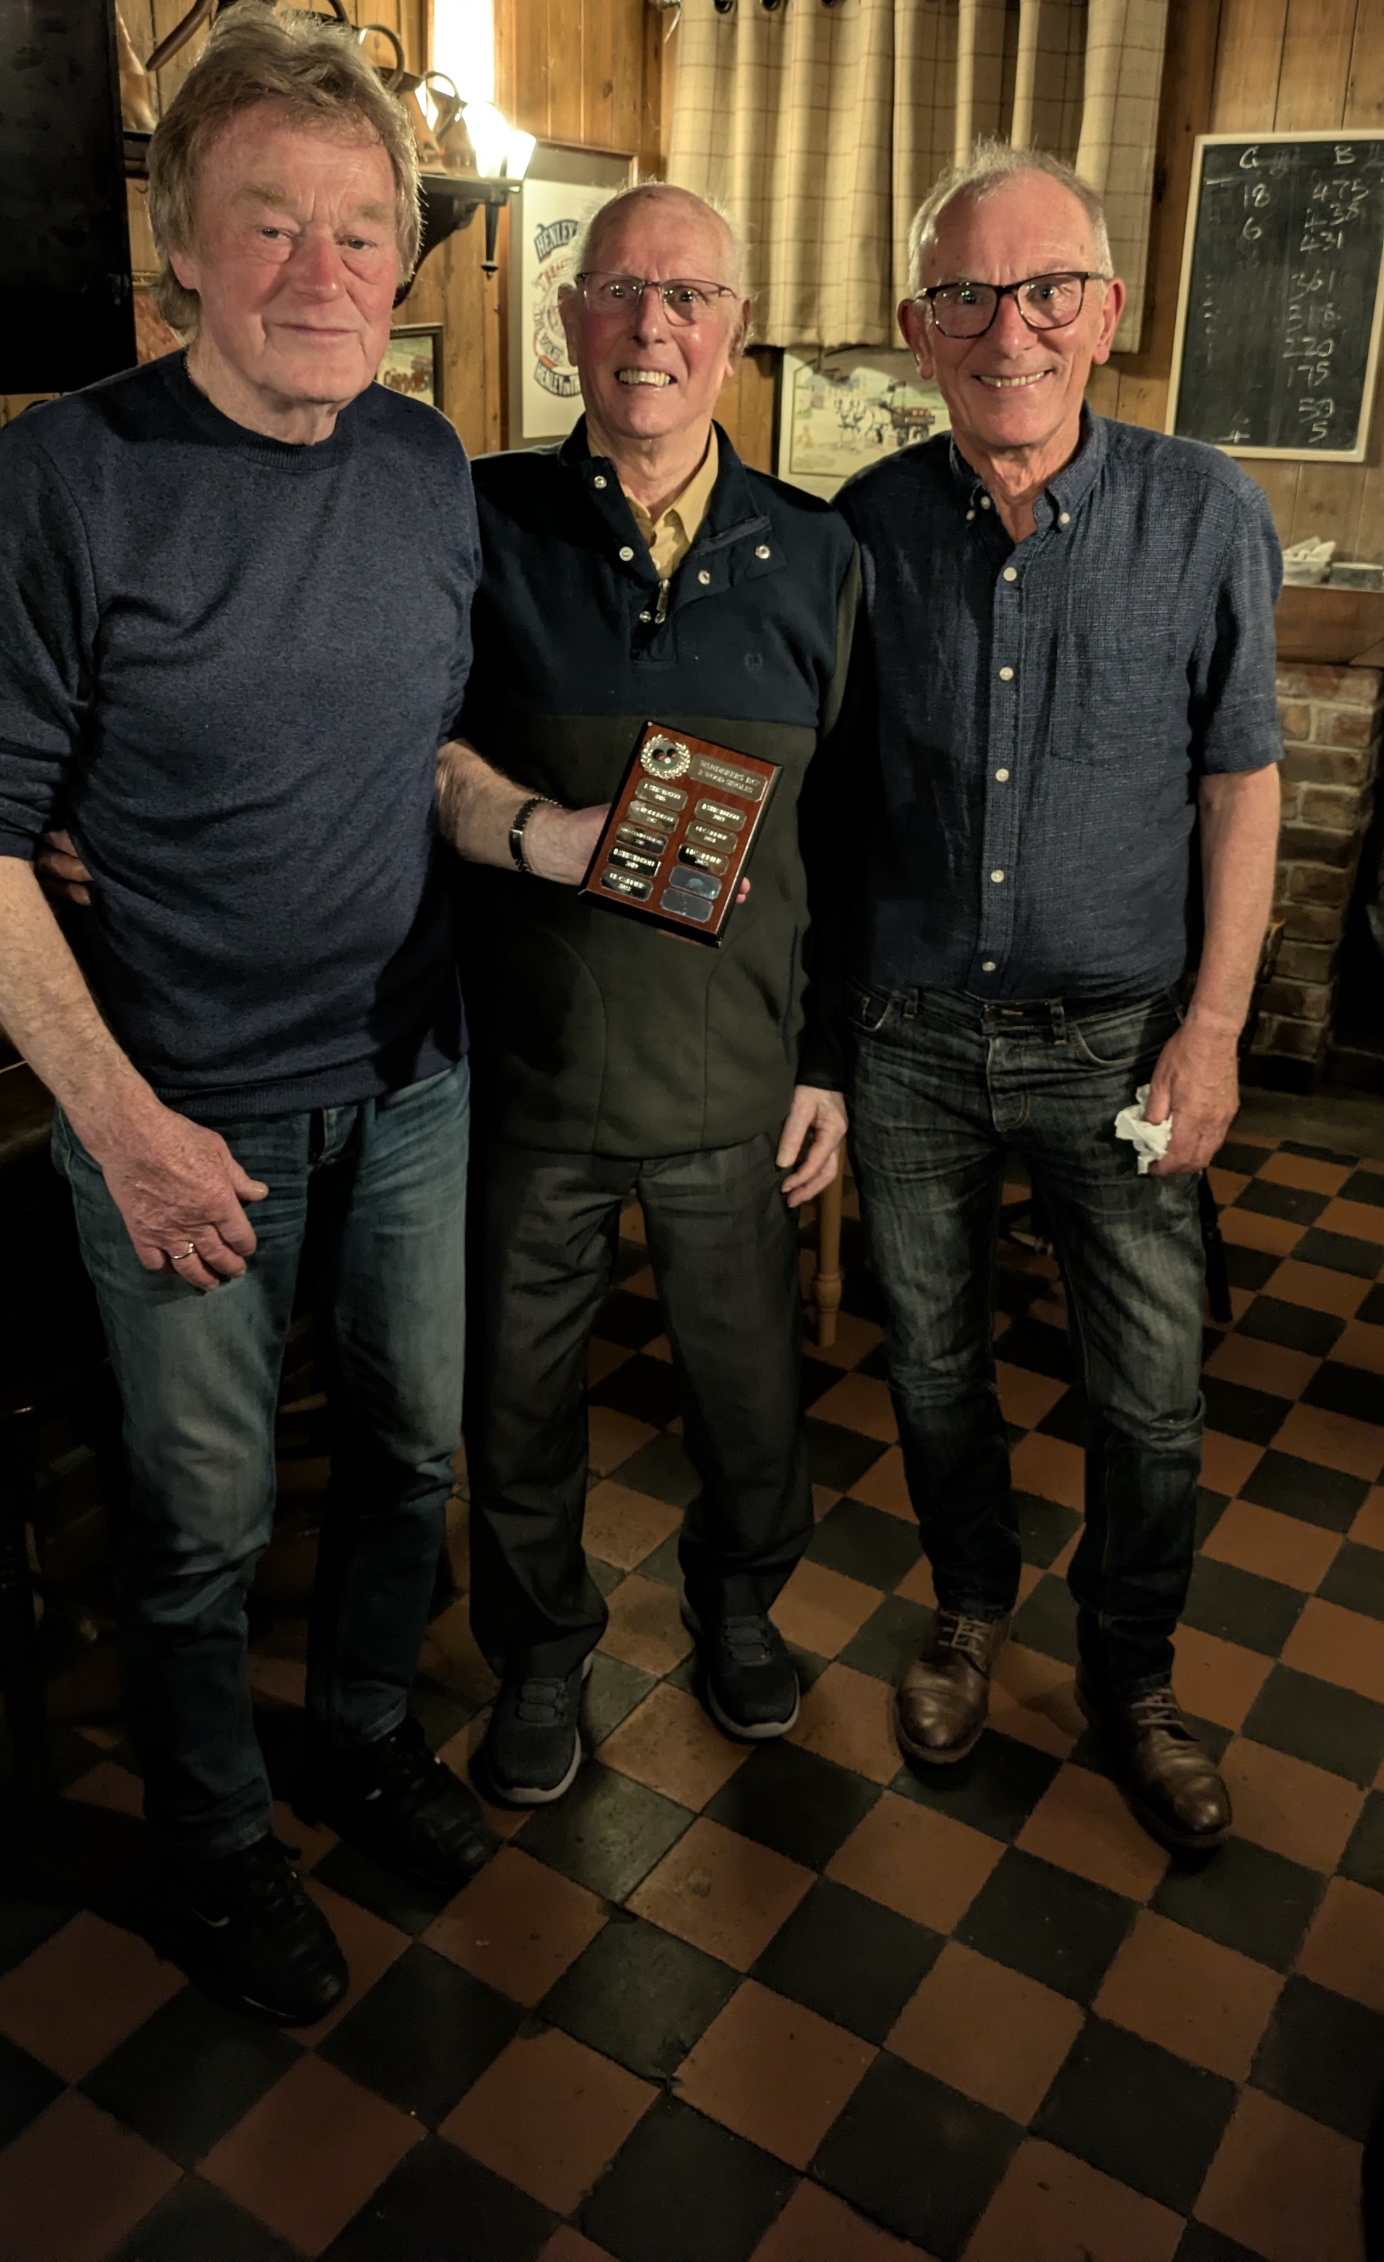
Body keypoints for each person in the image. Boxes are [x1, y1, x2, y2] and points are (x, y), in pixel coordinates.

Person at [0, 3, 492, 2027]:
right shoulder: (69, 475)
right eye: (267, 225)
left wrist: (530, 830)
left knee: (411, 1454)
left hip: (413, 1080)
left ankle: (360, 1733)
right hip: (181, 1110)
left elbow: (412, 750)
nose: (319, 272)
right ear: (180, 245)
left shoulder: (424, 460)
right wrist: (117, 1121)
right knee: (200, 1522)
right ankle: (207, 1848)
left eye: (359, 231)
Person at [837, 141, 1282, 1853]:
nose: (1004, 325)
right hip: (909, 1043)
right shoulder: (865, 529)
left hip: (1123, 1043)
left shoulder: (1204, 510)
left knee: (1148, 1393)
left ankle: (1133, 1674)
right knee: (935, 1366)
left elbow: (1239, 785)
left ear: (1105, 312)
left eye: (1043, 290)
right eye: (964, 292)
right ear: (914, 324)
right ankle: (966, 1605)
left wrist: (1216, 1029)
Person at [435, 183, 861, 1807]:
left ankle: (737, 1606)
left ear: (733, 335)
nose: (651, 326)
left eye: (686, 297)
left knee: (749, 1397)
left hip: (735, 1077)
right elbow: (415, 753)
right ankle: (540, 1656)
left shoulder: (817, 555)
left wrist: (824, 1057)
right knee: (518, 1402)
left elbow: (854, 836)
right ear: (567, 323)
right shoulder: (476, 521)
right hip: (528, 1071)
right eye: (617, 291)